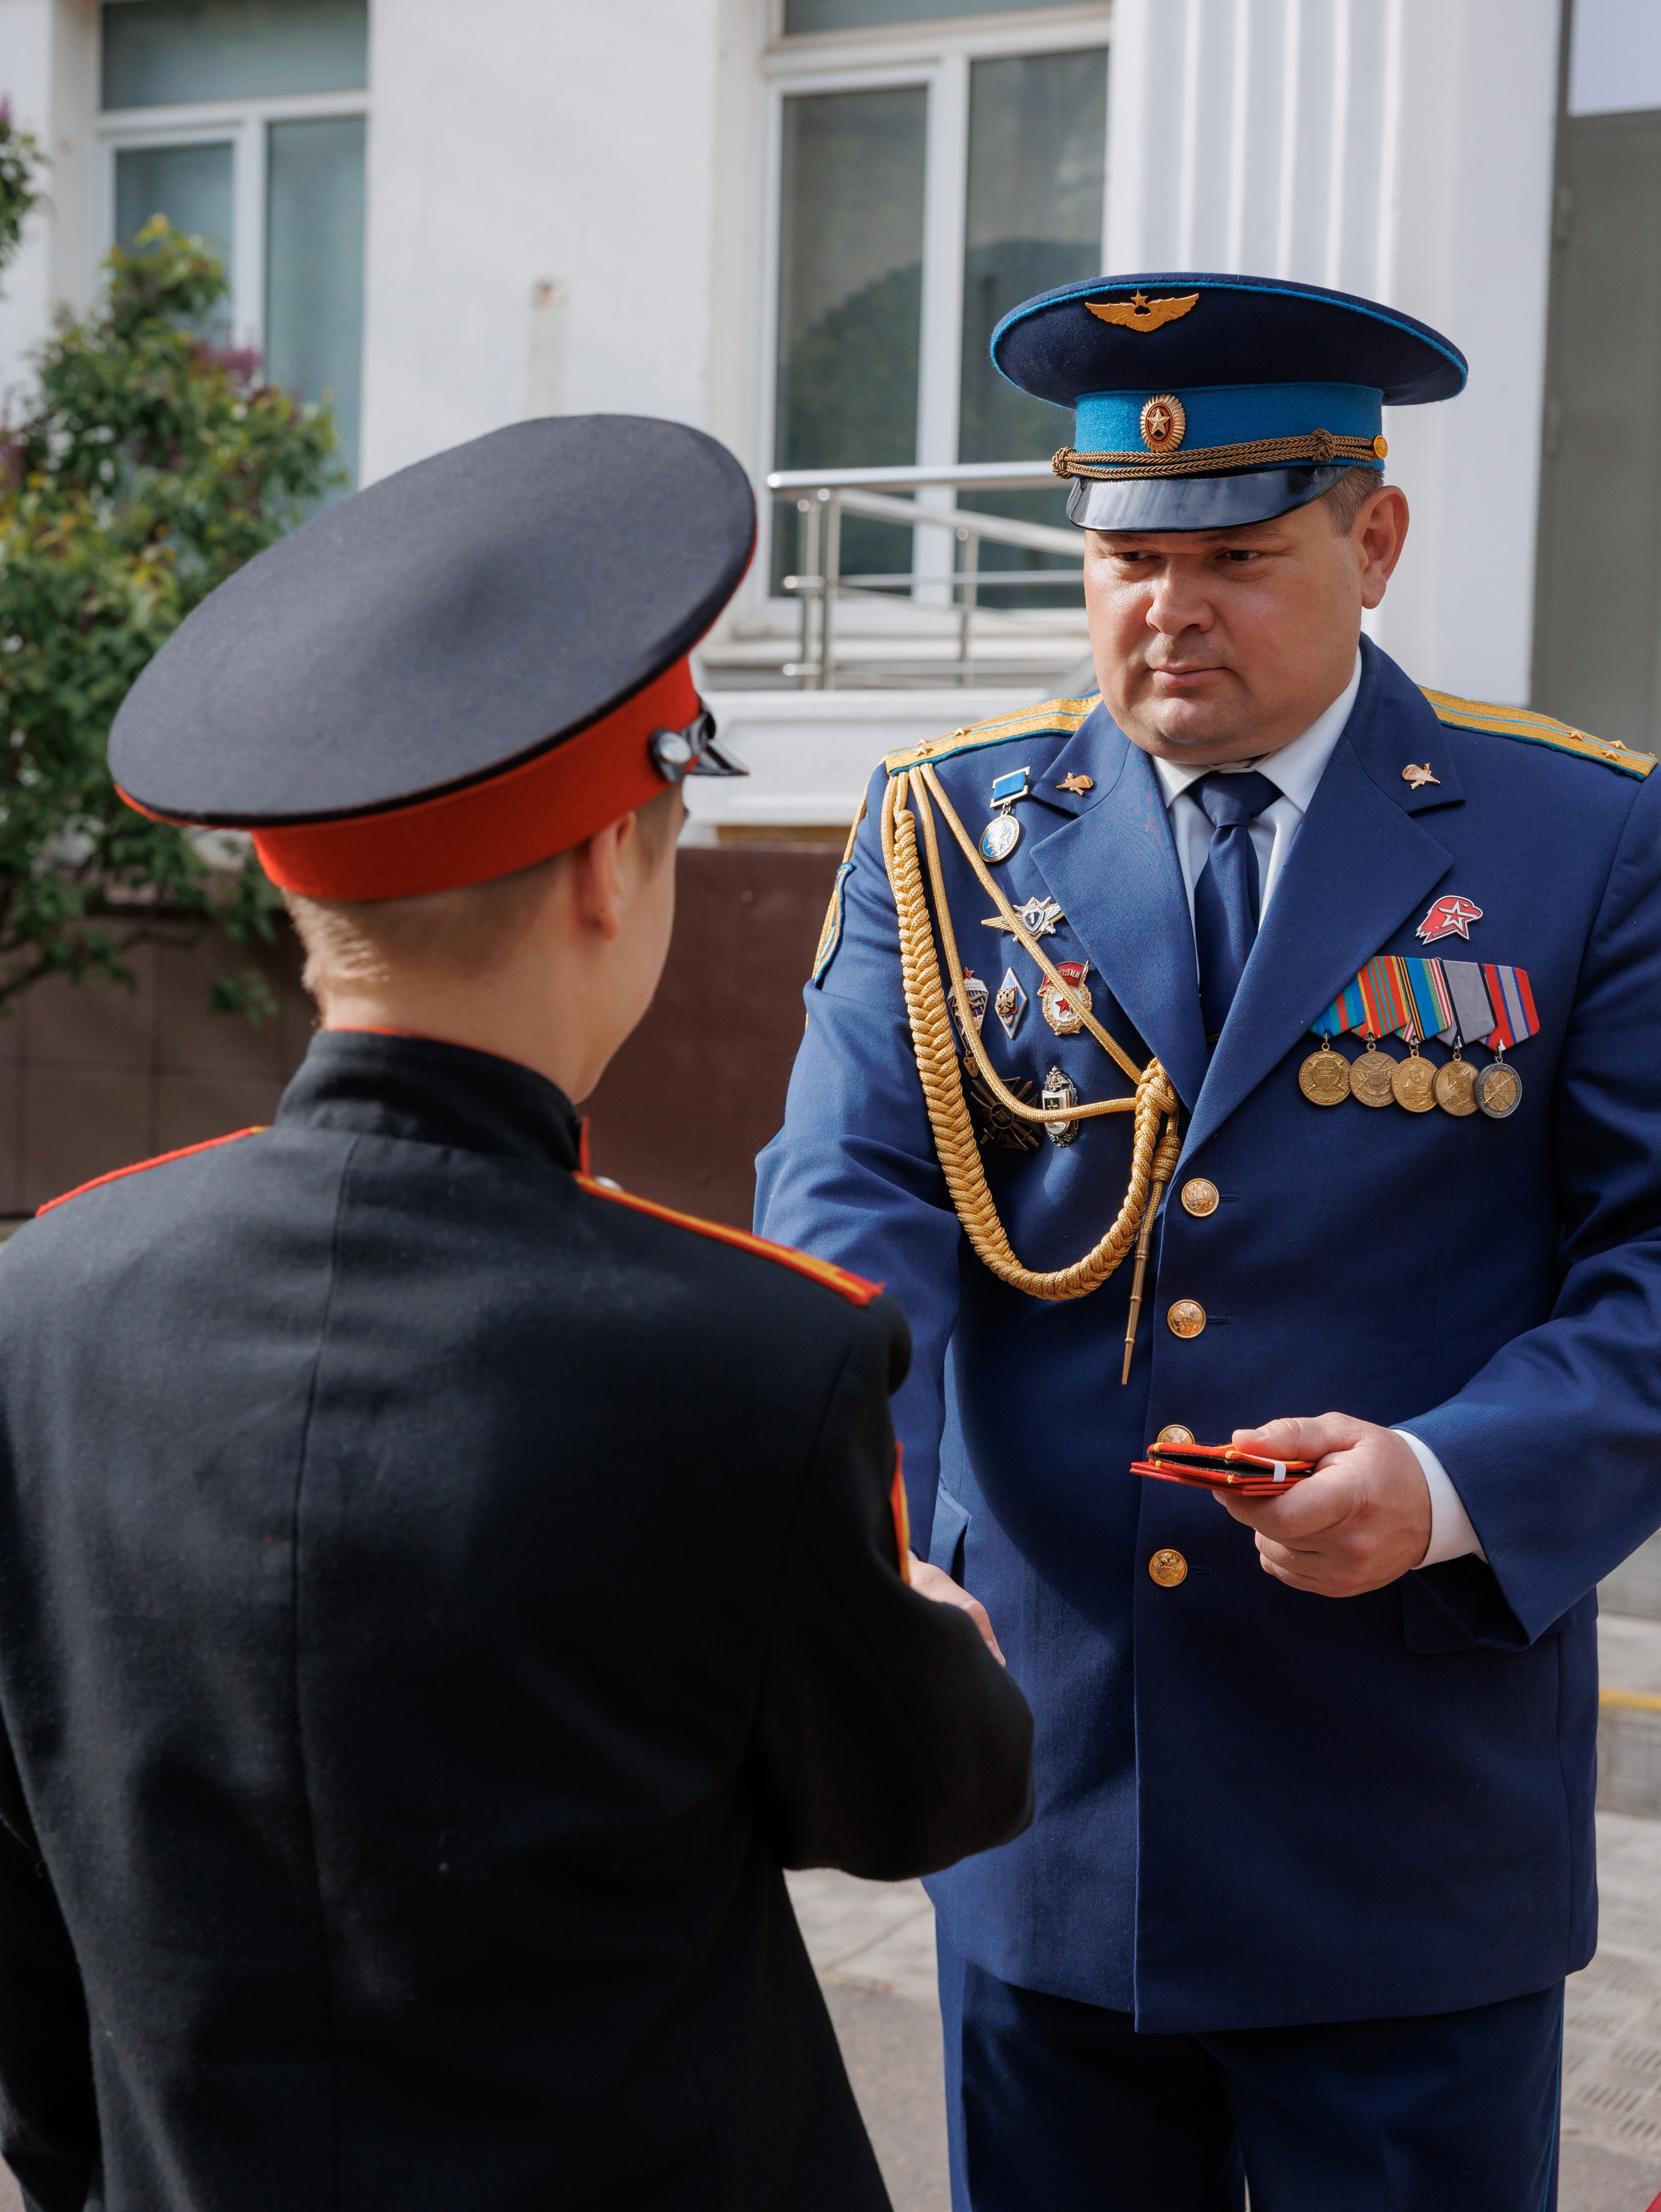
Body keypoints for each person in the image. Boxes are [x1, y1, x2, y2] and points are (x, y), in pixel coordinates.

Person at [0, 413, 1034, 2212]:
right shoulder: (748, 1354)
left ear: (288, 878)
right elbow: (925, 1795)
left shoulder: (41, 1305)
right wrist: (943, 1627)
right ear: (603, 869)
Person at [755, 274, 1661, 2211]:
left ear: (1377, 540)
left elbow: (1651, 1271)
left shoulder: (1576, 839)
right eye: (1125, 553)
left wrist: (1440, 1481)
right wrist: (868, 1535)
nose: (1168, 606)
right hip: (1054, 1802)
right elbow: (854, 1213)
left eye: (1239, 553)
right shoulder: (953, 832)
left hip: (1403, 1829)